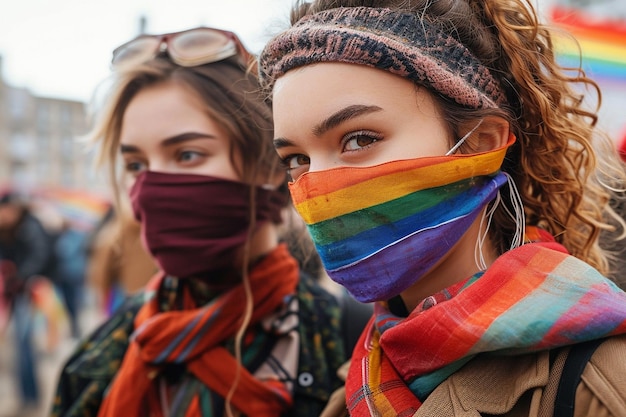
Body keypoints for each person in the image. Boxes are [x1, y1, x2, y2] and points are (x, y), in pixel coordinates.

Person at [258, 1, 626, 416]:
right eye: (296, 160)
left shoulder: (601, 381)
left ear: (481, 143)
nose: (317, 187)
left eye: (359, 139)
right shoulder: (361, 376)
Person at [50, 27, 349, 417]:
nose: (153, 186)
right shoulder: (99, 358)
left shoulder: (349, 346)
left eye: (187, 154)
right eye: (136, 165)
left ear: (268, 161)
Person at [0, 191, 54, 408]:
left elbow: (40, 256)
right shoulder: (7, 229)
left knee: (25, 343)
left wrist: (20, 276)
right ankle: (26, 395)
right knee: (18, 344)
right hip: (13, 290)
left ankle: (30, 397)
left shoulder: (31, 227)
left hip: (32, 290)